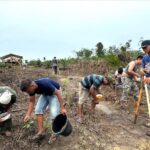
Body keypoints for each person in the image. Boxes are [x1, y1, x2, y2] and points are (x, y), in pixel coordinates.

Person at [20, 78, 67, 143]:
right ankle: (41, 132)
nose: (28, 93)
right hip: (45, 93)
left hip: (55, 93)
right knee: (38, 109)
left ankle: (55, 134)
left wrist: (62, 108)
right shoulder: (31, 89)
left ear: (32, 86)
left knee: (54, 114)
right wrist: (28, 114)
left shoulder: (45, 84)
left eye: (28, 91)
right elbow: (31, 101)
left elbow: (58, 93)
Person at [140, 40, 150, 137]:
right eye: (142, 48)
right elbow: (141, 69)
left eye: (145, 47)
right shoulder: (145, 58)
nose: (144, 49)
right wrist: (142, 71)